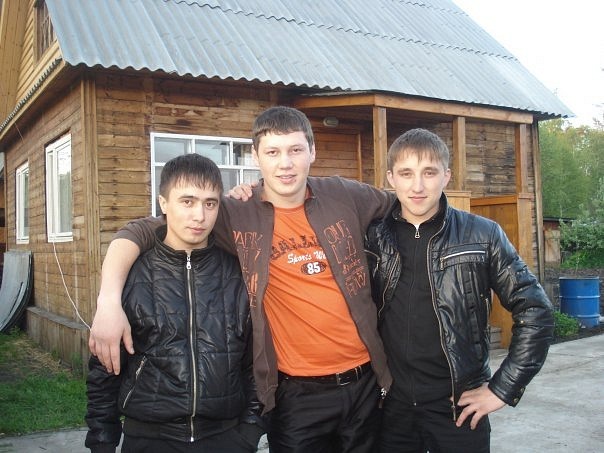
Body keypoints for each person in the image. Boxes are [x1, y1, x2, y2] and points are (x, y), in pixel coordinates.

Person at [88, 106, 395, 452]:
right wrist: (108, 301)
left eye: (295, 150)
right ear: (255, 156)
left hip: (366, 383)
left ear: (312, 151)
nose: (286, 163)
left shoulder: (345, 195)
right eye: (273, 152)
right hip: (295, 393)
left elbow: (407, 204)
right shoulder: (234, 212)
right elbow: (141, 231)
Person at [365, 128, 555, 453]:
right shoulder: (373, 238)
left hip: (459, 408)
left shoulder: (482, 234)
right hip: (391, 408)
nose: (418, 186)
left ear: (446, 176)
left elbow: (536, 310)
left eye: (429, 172)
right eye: (406, 173)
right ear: (391, 178)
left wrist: (502, 389)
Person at [85, 154, 264, 453]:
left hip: (226, 437)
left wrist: (250, 430)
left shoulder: (240, 274)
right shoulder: (131, 275)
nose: (199, 216)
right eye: (187, 201)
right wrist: (102, 442)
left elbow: (257, 361)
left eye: (210, 203)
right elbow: (105, 370)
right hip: (149, 439)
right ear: (164, 203)